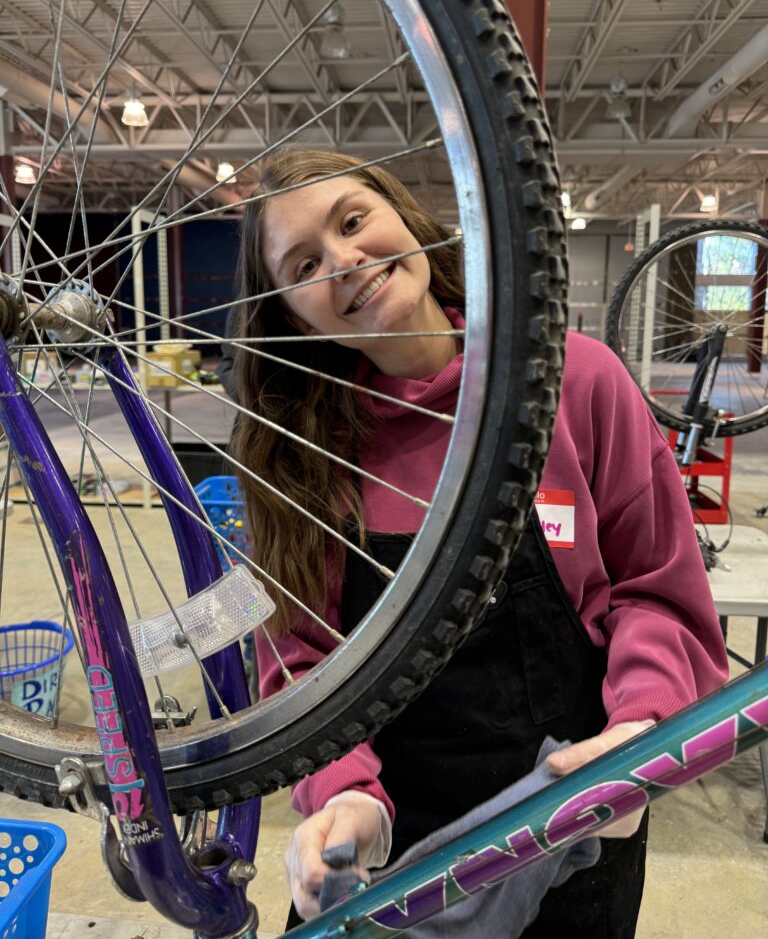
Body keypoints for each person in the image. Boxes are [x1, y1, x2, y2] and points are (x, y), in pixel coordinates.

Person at [229, 148, 729, 937]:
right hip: (384, 856)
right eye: (304, 264)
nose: (345, 260)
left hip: (573, 827)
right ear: (294, 316)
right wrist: (343, 795)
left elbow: (656, 588)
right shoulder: (300, 456)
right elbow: (299, 664)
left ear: (406, 216)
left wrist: (642, 729)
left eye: (353, 221)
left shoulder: (573, 381)